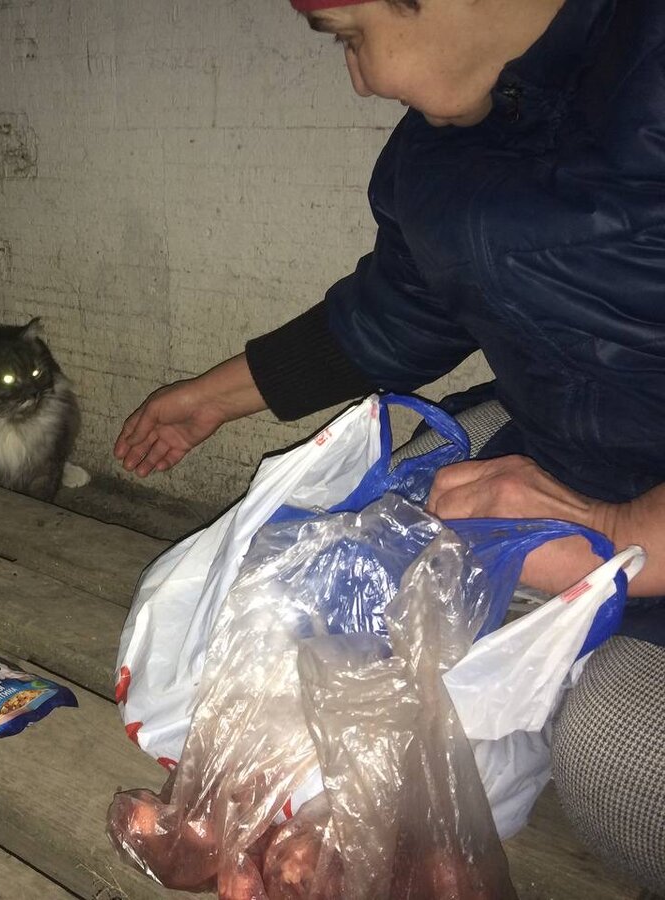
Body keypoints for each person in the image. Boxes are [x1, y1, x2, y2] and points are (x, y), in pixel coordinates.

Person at [113, 0, 664, 890]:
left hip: (637, 518)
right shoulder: (441, 150)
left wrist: (616, 533)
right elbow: (395, 313)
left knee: (624, 764)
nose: (360, 78)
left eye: (351, 35)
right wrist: (211, 401)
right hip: (557, 448)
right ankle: (295, 810)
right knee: (342, 554)